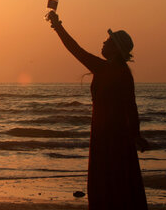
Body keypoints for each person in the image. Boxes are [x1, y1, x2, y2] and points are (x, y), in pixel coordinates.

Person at [47, 11, 149, 210]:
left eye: (107, 41)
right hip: (119, 134)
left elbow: (76, 50)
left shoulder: (106, 69)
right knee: (120, 182)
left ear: (115, 49)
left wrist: (57, 26)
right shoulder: (123, 73)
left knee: (105, 181)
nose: (103, 43)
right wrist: (136, 135)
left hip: (106, 134)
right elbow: (131, 107)